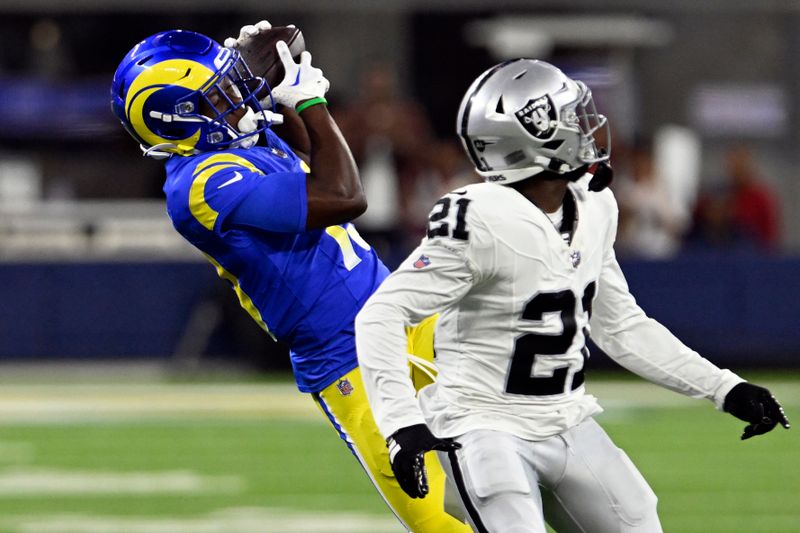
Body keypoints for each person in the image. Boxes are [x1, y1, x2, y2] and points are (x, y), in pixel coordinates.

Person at [354, 59, 790, 532]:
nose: (587, 126)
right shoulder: (477, 218)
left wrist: (723, 387)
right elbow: (382, 312)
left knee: (638, 519)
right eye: (570, 116)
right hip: (482, 422)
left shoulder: (594, 202)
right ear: (537, 134)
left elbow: (621, 327)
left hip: (566, 417)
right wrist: (401, 423)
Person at [110, 24, 470, 533]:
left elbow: (313, 158)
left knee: (519, 462)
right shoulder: (201, 186)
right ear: (176, 121)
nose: (236, 100)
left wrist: (286, 83)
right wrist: (309, 103)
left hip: (404, 315)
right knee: (445, 521)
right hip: (348, 359)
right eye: (218, 95)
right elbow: (345, 196)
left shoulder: (239, 138)